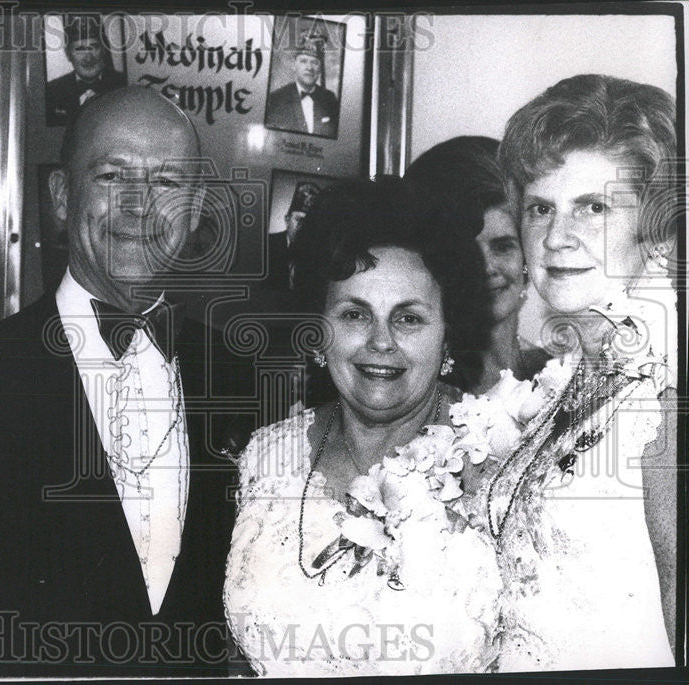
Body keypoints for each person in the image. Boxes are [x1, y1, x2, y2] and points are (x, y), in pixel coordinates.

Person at [0, 86, 273, 677]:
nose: (142, 205)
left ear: (196, 210)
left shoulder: (247, 380)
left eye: (168, 182)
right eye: (114, 175)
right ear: (63, 198)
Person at [224, 177, 500, 676]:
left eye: (409, 319)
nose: (380, 342)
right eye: (354, 314)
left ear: (449, 335)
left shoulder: (499, 464)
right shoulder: (267, 457)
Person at [481, 74, 677, 671]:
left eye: (593, 207)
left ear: (657, 226)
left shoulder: (665, 402)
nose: (557, 238)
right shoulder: (568, 381)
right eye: (541, 208)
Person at [405, 136, 551, 392]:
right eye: (465, 251)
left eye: (503, 246)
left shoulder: (555, 376)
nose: (485, 267)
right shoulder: (416, 388)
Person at [45, 14, 126, 126]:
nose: (88, 58)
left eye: (94, 47)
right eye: (79, 49)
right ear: (68, 54)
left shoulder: (123, 86)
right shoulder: (51, 92)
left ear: (104, 50)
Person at [265, 30, 340, 137]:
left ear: (320, 68)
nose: (309, 68)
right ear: (294, 65)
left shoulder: (330, 99)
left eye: (314, 62)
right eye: (303, 61)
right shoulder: (276, 99)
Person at [266, 180, 320, 290]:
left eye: (308, 223)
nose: (303, 228)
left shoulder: (317, 252)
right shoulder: (266, 245)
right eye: (299, 220)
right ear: (287, 220)